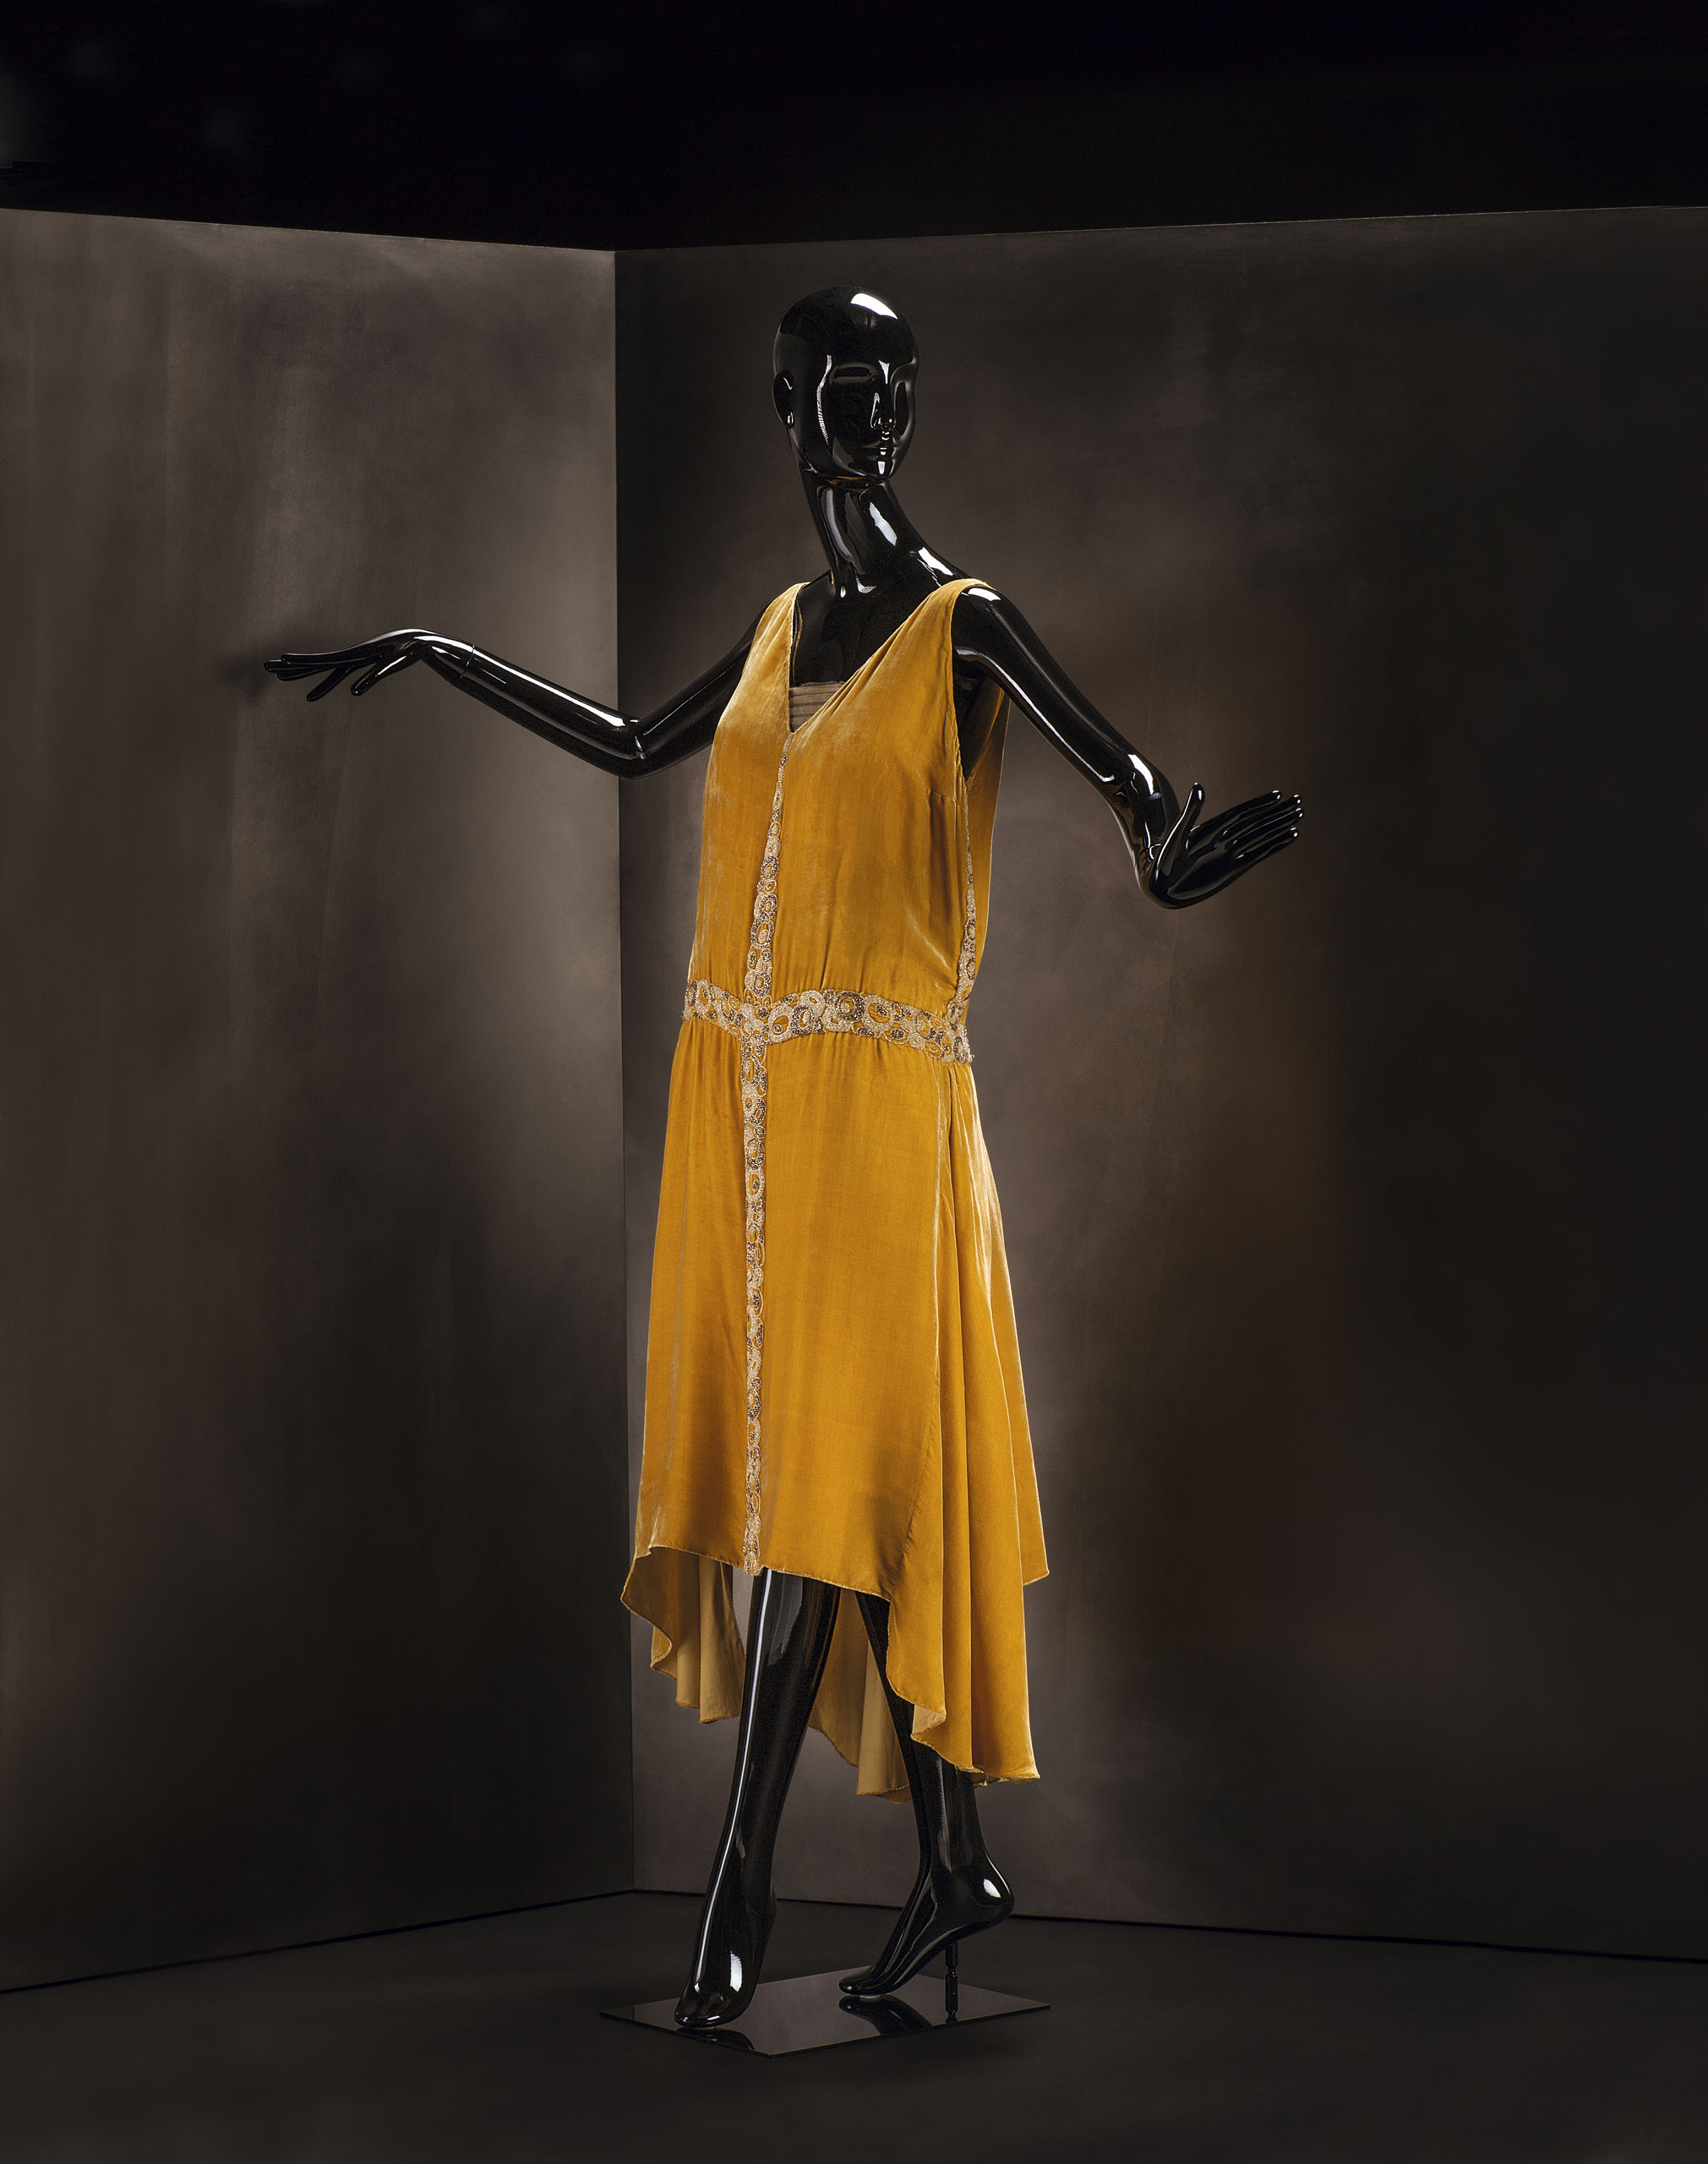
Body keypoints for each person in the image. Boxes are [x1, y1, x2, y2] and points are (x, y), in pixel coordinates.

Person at [268, 286, 1301, 2029]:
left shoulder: (967, 623)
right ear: (784, 398)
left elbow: (1140, 795)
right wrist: (445, 651)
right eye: (840, 382)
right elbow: (629, 744)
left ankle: (737, 1877)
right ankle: (955, 1860)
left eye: (895, 384)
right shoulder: (774, 628)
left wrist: (1172, 850)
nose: (871, 411)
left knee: (818, 1484)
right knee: (825, 1474)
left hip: (883, 1109)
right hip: (744, 1107)